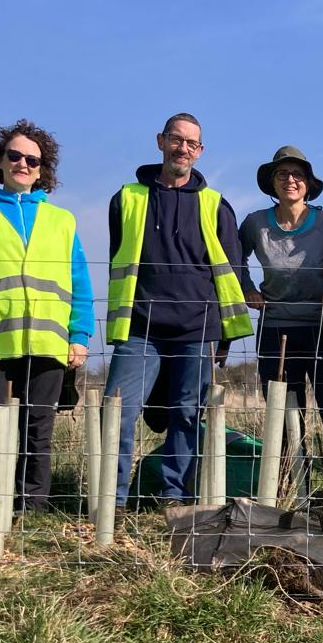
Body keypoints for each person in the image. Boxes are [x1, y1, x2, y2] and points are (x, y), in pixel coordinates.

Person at [103, 113, 252, 507]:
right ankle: (111, 503)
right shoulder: (127, 198)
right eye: (176, 139)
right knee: (117, 412)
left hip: (196, 330)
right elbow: (119, 255)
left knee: (187, 416)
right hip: (140, 328)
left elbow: (232, 272)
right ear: (160, 141)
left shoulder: (215, 205)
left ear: (200, 151)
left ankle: (176, 499)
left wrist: (225, 335)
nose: (182, 148)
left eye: (191, 143)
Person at [0, 121, 92, 511]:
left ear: (43, 170)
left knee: (37, 431)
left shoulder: (62, 220)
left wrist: (79, 335)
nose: (23, 164)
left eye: (32, 160)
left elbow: (79, 281)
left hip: (48, 341)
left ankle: (32, 510)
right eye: (14, 155)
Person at [239, 145, 323, 434]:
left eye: (298, 174)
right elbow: (233, 258)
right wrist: (247, 287)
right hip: (275, 328)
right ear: (272, 183)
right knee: (285, 415)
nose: (290, 180)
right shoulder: (255, 224)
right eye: (282, 174)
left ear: (308, 183)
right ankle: (291, 465)